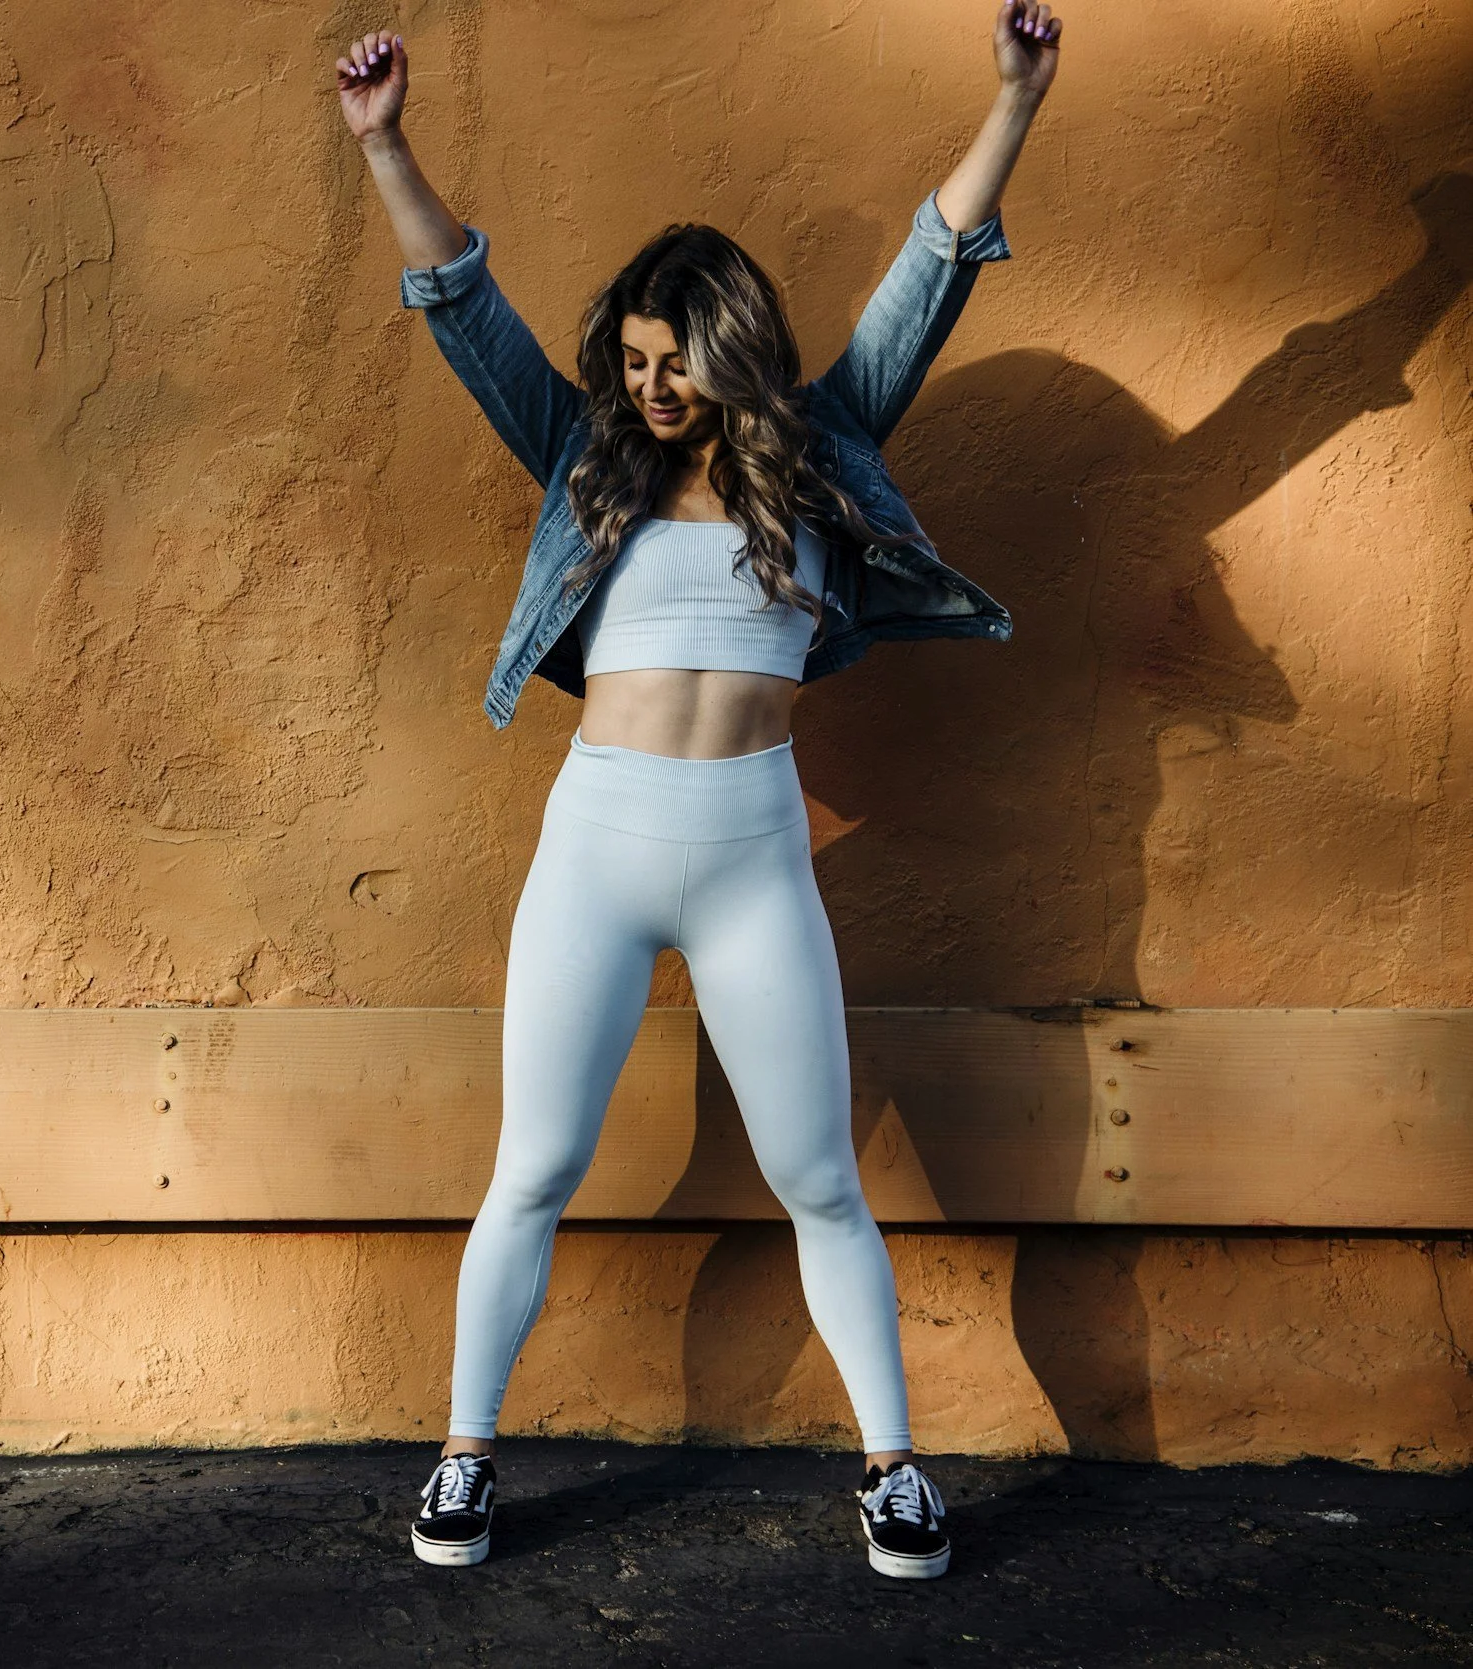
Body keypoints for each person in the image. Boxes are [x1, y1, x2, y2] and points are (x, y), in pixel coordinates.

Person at [333, 0, 1062, 1578]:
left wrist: (1014, 96)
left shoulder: (826, 446)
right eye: (637, 363)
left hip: (750, 856)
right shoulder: (584, 453)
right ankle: (464, 1456)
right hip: (598, 845)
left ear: (733, 355)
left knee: (819, 1176)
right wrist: (388, 144)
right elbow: (466, 311)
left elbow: (932, 265)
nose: (652, 387)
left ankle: (892, 1468)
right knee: (536, 1164)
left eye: (676, 364)